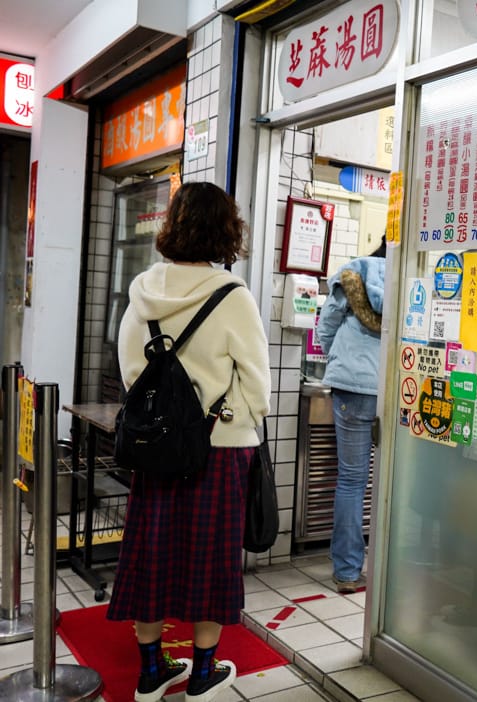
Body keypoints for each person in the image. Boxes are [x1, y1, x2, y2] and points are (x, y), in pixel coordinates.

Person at [107, 182, 271, 702]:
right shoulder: (233, 297)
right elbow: (259, 386)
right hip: (220, 450)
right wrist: (227, 416)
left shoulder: (141, 292)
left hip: (155, 448)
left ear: (171, 225)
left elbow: (131, 369)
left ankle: (152, 670)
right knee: (210, 557)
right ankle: (203, 675)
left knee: (150, 552)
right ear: (228, 230)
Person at [316, 236, 387, 593]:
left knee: (352, 480)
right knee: (395, 481)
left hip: (352, 389)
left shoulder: (355, 272)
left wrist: (338, 359)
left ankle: (347, 571)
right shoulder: (419, 277)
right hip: (400, 388)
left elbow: (327, 324)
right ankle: (392, 569)